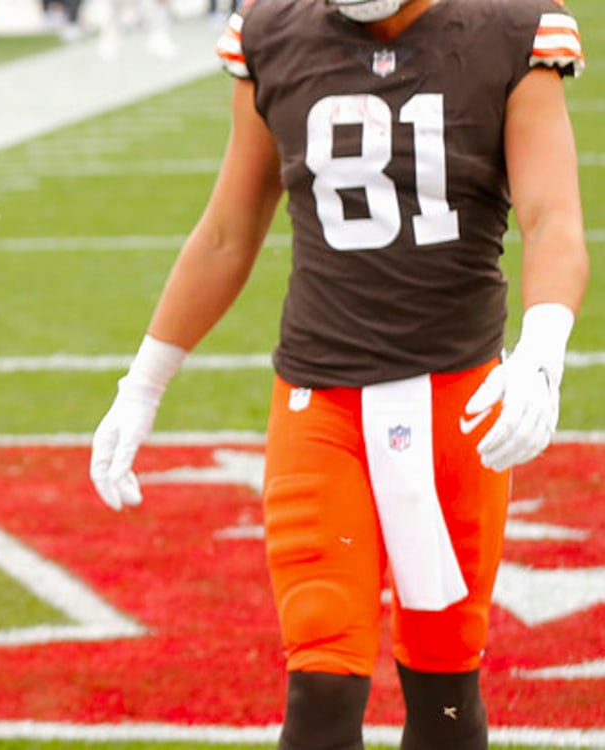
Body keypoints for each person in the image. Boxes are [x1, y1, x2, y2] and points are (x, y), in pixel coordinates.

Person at [89, 1, 587, 748]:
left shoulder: (507, 26)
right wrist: (144, 382)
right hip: (322, 405)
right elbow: (227, 232)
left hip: (457, 403)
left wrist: (543, 349)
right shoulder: (274, 32)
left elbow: (553, 217)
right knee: (320, 684)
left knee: (446, 691)